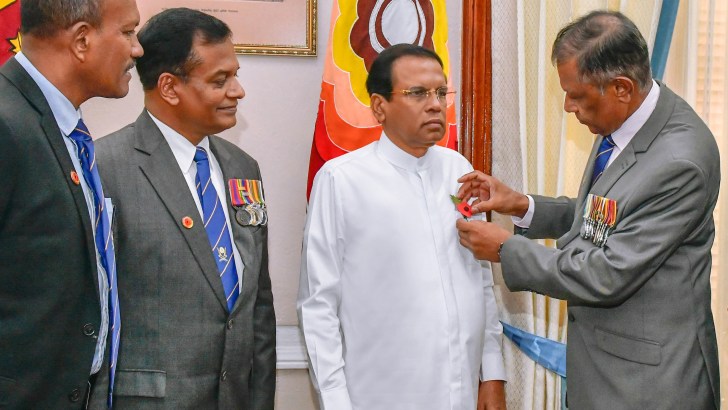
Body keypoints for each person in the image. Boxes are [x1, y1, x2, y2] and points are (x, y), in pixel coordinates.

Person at [456, 10, 720, 409]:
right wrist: (522, 205)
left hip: (648, 384)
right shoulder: (624, 121)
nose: (567, 107)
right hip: (604, 370)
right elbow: (605, 216)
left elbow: (607, 273)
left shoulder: (679, 161)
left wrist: (504, 250)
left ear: (621, 88)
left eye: (577, 96)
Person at [298, 44, 506, 410]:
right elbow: (318, 305)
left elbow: (480, 273)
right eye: (417, 93)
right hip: (380, 393)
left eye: (441, 92)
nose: (435, 104)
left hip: (460, 390)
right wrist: (334, 401)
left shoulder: (458, 169)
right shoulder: (341, 180)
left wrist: (491, 373)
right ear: (379, 106)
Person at [87, 8, 275, 409]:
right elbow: (89, 313)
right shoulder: (104, 167)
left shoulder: (244, 168)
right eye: (220, 80)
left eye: (235, 75)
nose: (238, 91)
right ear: (170, 88)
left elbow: (258, 304)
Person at [0, 0, 142, 407]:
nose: (138, 49)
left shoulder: (64, 129)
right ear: (82, 40)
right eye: (128, 32)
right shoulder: (7, 124)